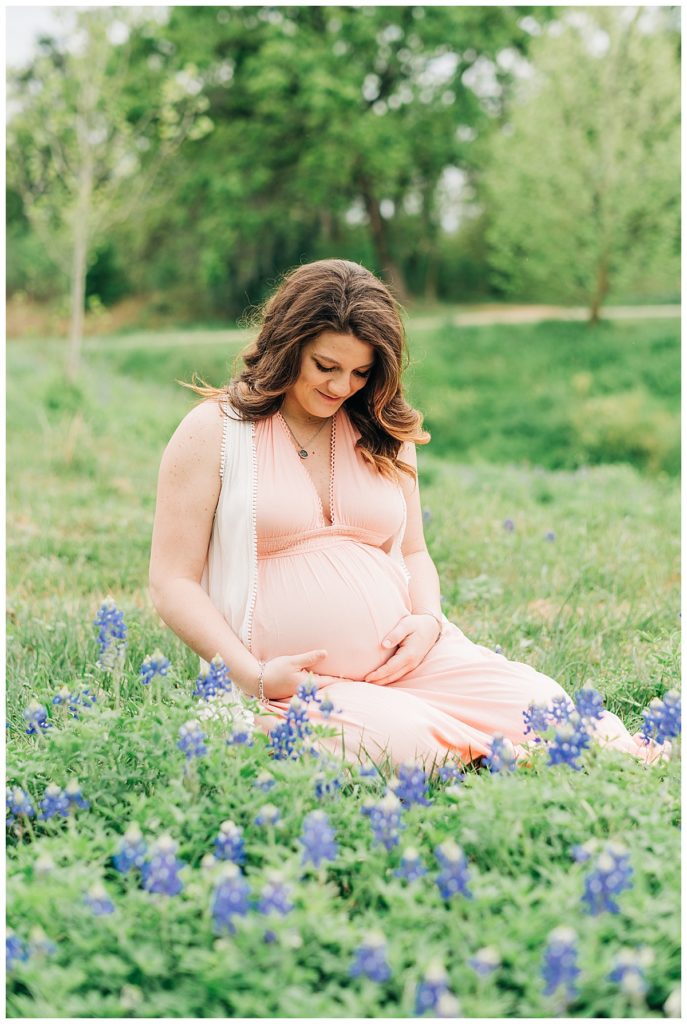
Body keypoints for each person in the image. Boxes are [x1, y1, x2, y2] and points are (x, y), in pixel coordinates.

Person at [149, 259, 665, 770]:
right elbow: (172, 582)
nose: (340, 386)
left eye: (361, 372)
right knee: (404, 740)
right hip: (287, 685)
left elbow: (414, 551)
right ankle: (494, 760)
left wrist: (427, 620)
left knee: (542, 704)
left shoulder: (383, 430)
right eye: (325, 366)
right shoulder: (215, 431)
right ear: (288, 347)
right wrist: (253, 676)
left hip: (413, 662)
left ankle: (540, 756)